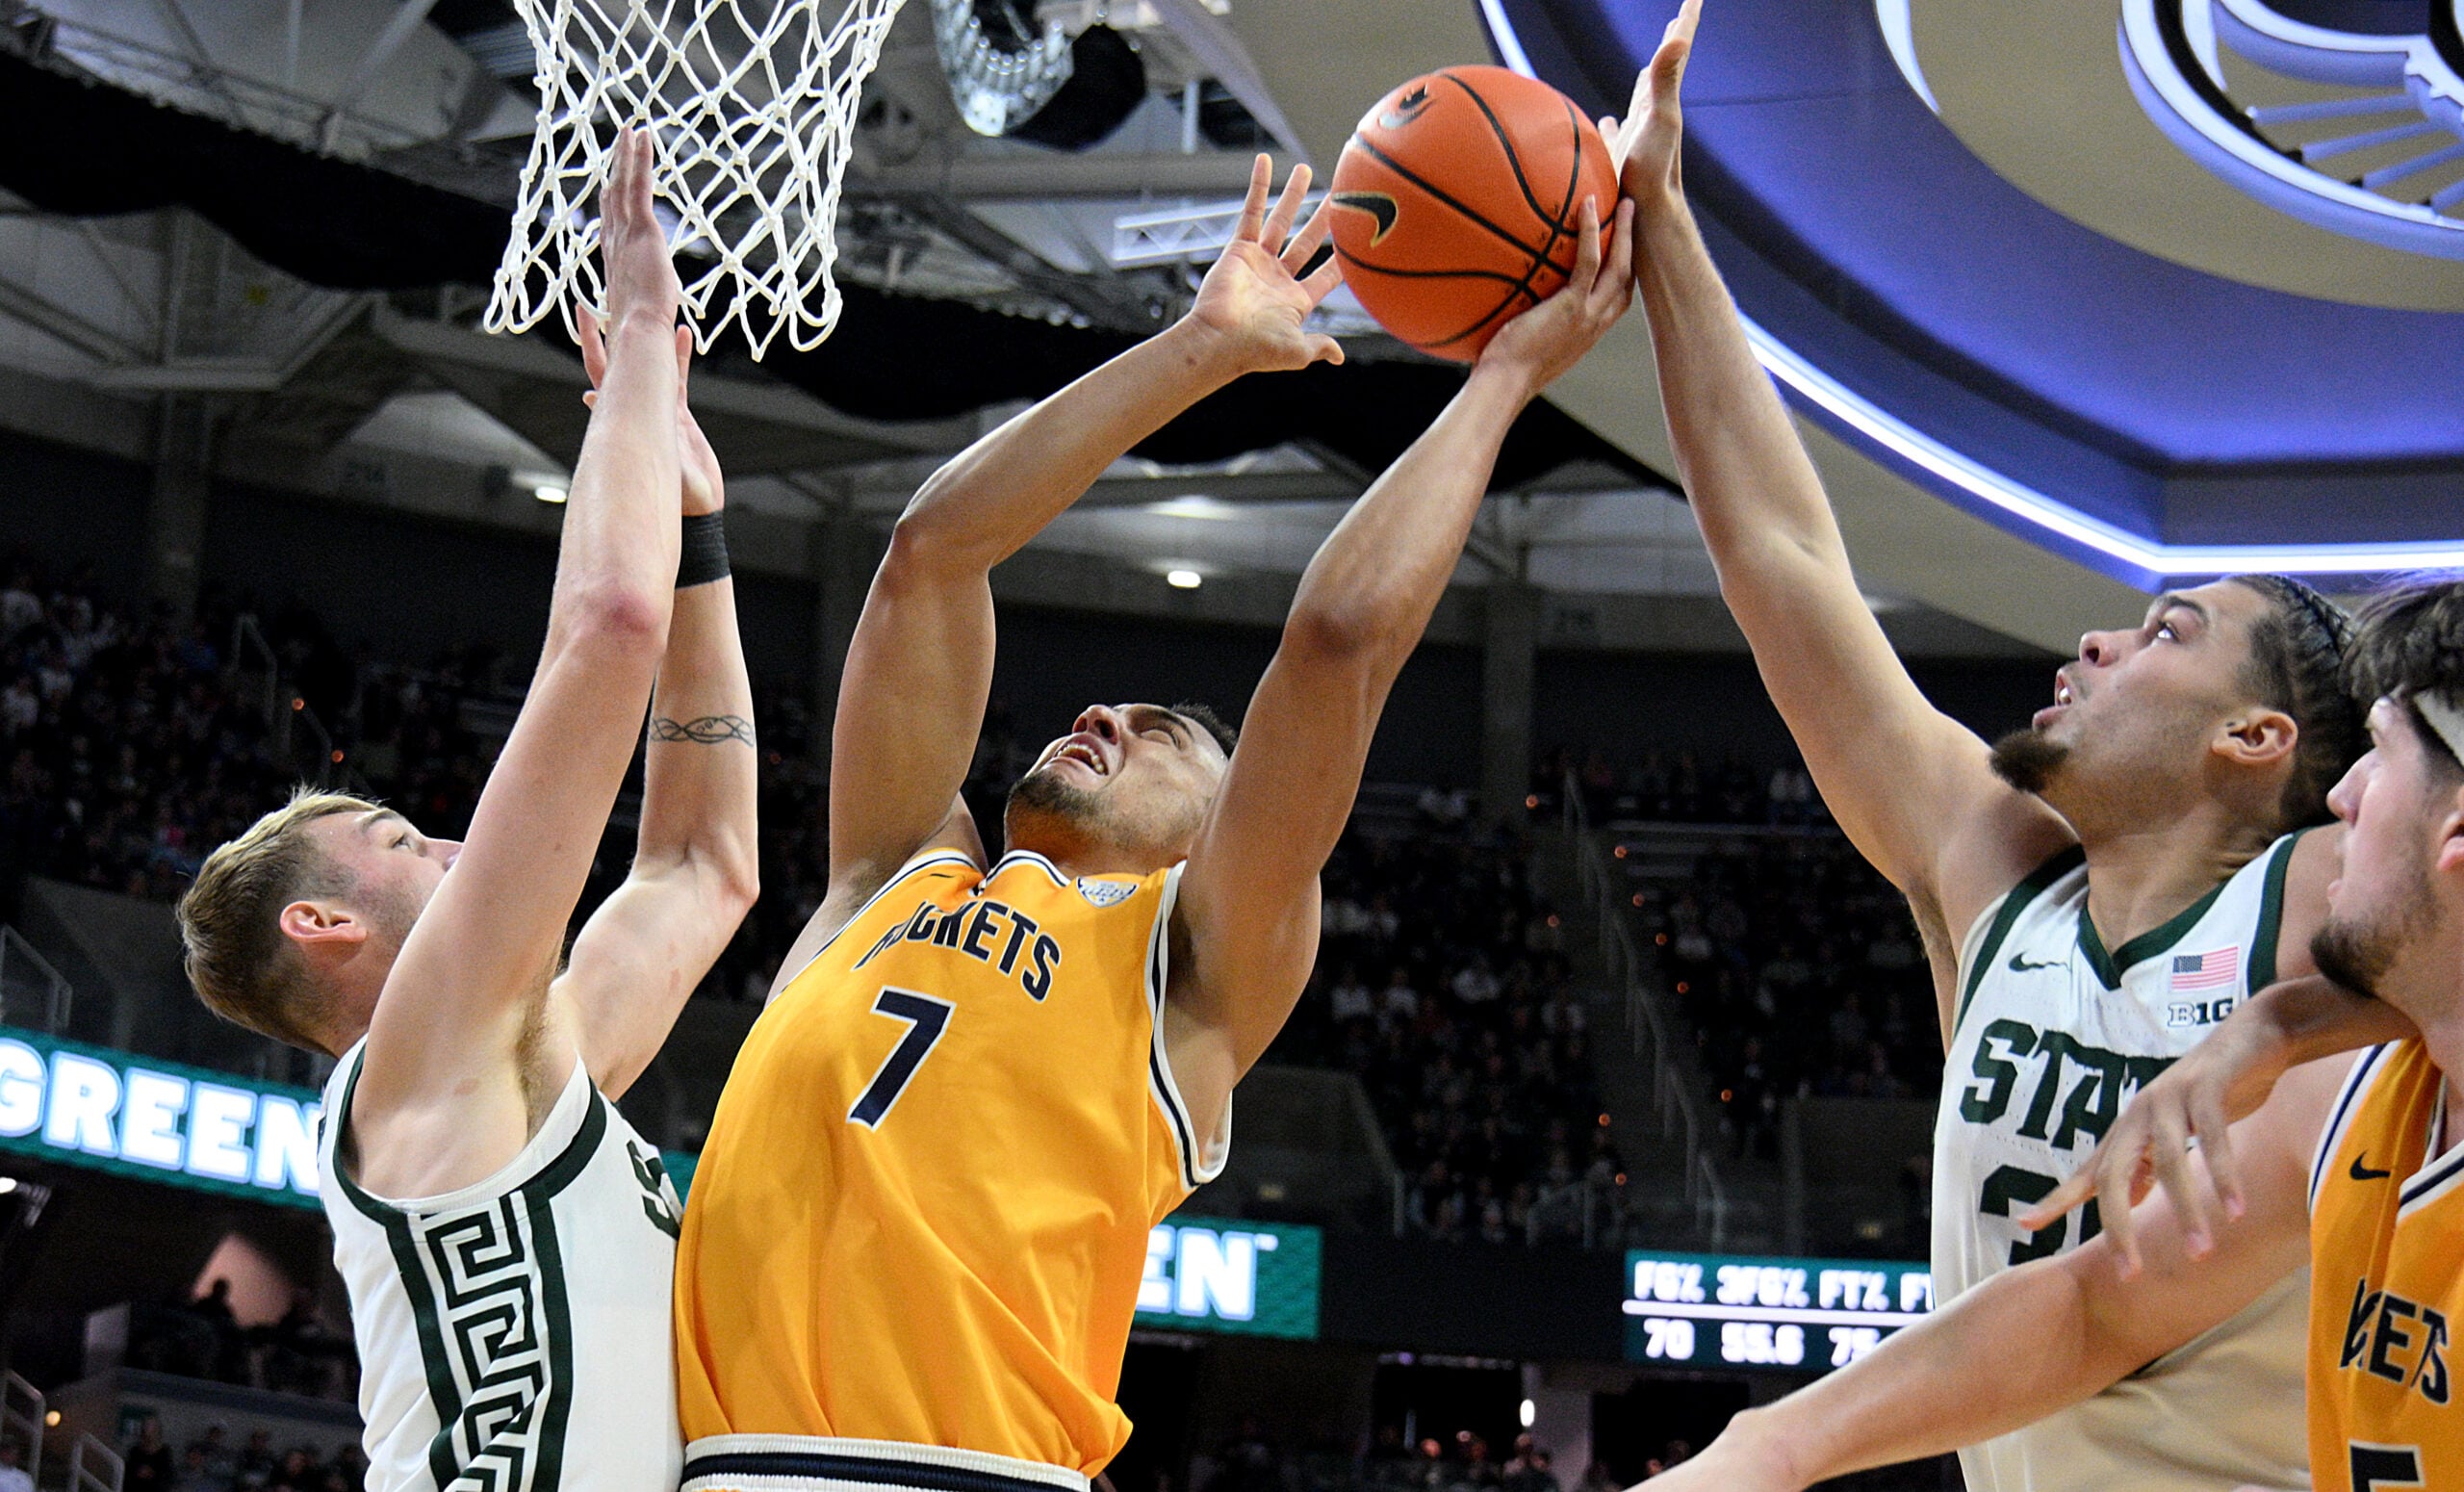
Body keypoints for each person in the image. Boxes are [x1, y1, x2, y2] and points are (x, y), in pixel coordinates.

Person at [671, 156, 1636, 1490]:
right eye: (1112, 711)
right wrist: (1196, 351)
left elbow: (1340, 639)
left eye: (1164, 736)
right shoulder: (897, 871)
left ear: (1213, 833)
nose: (1105, 720)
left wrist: (1503, 380)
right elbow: (931, 555)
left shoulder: (1193, 965)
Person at [1601, 4, 2365, 1488]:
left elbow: (2095, 1313)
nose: (2091, 643)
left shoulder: (2327, 901)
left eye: (2163, 630)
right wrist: (1665, 227)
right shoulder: (1993, 871)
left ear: (2257, 736)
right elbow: (1783, 561)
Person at [174, 130, 757, 1492]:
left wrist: (704, 535)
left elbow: (703, 867)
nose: (446, 838)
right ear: (322, 922)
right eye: (396, 840)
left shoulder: (514, 1066)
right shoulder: (416, 1061)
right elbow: (605, 624)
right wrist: (638, 347)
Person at [1630, 578, 2464, 1490]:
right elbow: (2084, 1307)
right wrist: (1771, 1449)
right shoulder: (2331, 1110)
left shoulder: (2294, 907)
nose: (2344, 799)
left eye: (2381, 758)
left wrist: (2275, 1017)